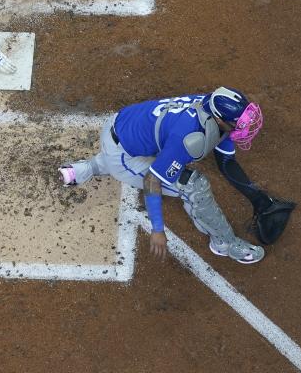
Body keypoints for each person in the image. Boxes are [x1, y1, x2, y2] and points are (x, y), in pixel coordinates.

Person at [58, 87, 270, 265]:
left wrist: (258, 199)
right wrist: (157, 229)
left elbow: (226, 160)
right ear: (219, 118)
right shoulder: (188, 136)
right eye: (238, 124)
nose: (244, 128)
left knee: (157, 149)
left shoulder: (209, 108)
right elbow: (152, 180)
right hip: (123, 154)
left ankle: (81, 170)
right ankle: (224, 243)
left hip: (125, 125)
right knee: (193, 185)